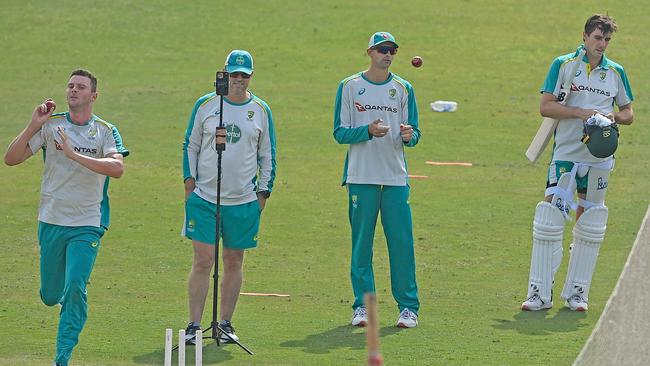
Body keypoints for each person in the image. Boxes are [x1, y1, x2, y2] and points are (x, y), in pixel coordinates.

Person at [4, 69, 128, 366]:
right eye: (70, 86)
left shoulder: (105, 130)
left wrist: (73, 154)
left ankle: (62, 358)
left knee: (75, 285)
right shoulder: (52, 126)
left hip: (87, 223)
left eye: (81, 87)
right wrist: (33, 124)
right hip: (51, 219)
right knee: (50, 295)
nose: (73, 90)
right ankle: (66, 300)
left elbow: (117, 168)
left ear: (93, 95)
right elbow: (11, 158)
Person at [522, 14, 634, 312]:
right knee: (549, 217)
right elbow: (545, 106)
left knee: (591, 222)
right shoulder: (564, 65)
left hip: (600, 157)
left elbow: (628, 113)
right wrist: (580, 113)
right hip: (566, 153)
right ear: (584, 37)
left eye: (607, 40)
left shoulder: (615, 72)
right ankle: (538, 293)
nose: (602, 44)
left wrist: (610, 117)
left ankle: (577, 293)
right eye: (597, 38)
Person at [182, 50, 276, 344]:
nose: (238, 80)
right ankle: (195, 325)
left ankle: (225, 324)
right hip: (205, 197)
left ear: (250, 76)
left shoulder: (260, 109)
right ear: (224, 74)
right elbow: (191, 144)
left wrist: (263, 193)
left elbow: (267, 155)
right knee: (203, 261)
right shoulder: (207, 105)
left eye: (244, 75)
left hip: (243, 201)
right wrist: (189, 184)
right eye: (234, 74)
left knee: (234, 260)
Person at [333, 32, 421, 328]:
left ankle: (408, 308)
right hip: (361, 177)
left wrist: (410, 137)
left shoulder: (403, 88)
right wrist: (367, 132)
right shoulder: (350, 87)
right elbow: (339, 132)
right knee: (361, 246)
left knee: (401, 245)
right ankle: (362, 306)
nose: (388, 55)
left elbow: (414, 133)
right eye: (383, 50)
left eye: (392, 51)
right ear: (369, 52)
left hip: (395, 178)